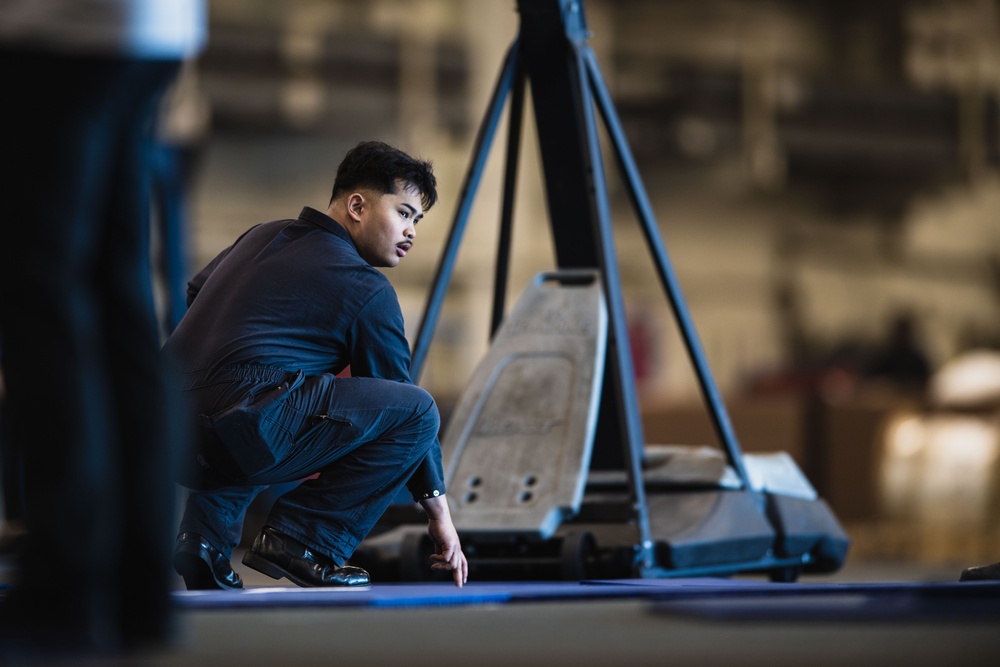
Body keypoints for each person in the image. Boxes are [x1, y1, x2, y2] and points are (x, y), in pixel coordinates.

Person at [164, 141, 468, 590]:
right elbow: (403, 401)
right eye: (404, 213)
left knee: (255, 401)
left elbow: (198, 294)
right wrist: (439, 512)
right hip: (234, 426)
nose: (412, 232)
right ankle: (304, 542)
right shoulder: (365, 287)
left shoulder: (261, 235)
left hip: (161, 421)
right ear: (357, 205)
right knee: (418, 411)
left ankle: (203, 540)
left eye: (418, 221)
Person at [0, 0, 206, 658]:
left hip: (53, 30)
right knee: (116, 293)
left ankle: (68, 577)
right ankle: (138, 584)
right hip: (150, 30)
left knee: (47, 295)